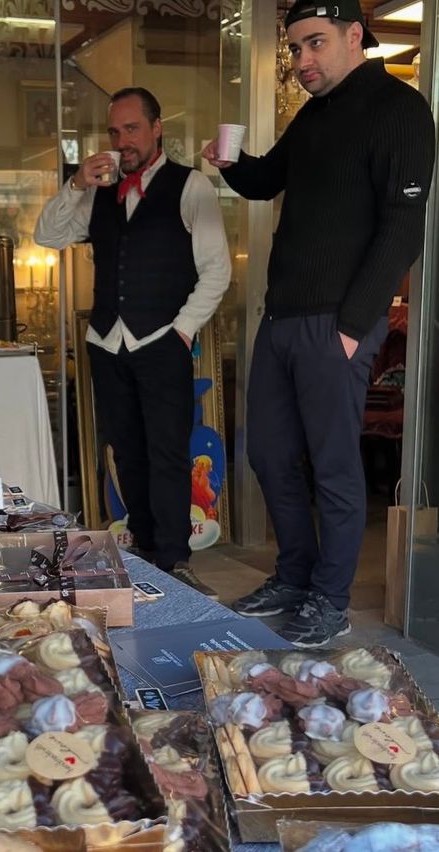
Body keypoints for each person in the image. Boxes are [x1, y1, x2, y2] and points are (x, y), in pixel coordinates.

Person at [202, 0, 435, 647]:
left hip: (337, 322)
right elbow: (264, 181)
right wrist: (230, 162)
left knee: (333, 466)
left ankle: (330, 599)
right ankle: (295, 576)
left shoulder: (400, 110)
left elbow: (402, 228)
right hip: (282, 317)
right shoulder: (314, 116)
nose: (302, 60)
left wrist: (354, 325)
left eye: (315, 43)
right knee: (270, 455)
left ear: (354, 35)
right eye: (295, 48)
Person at [36, 86, 231, 598]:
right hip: (107, 342)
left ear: (157, 128)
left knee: (168, 453)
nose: (123, 140)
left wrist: (182, 329)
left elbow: (216, 269)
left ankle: (175, 559)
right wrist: (76, 183)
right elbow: (48, 235)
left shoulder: (191, 186)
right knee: (127, 452)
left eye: (132, 129)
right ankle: (144, 552)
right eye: (115, 131)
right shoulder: (98, 190)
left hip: (163, 338)